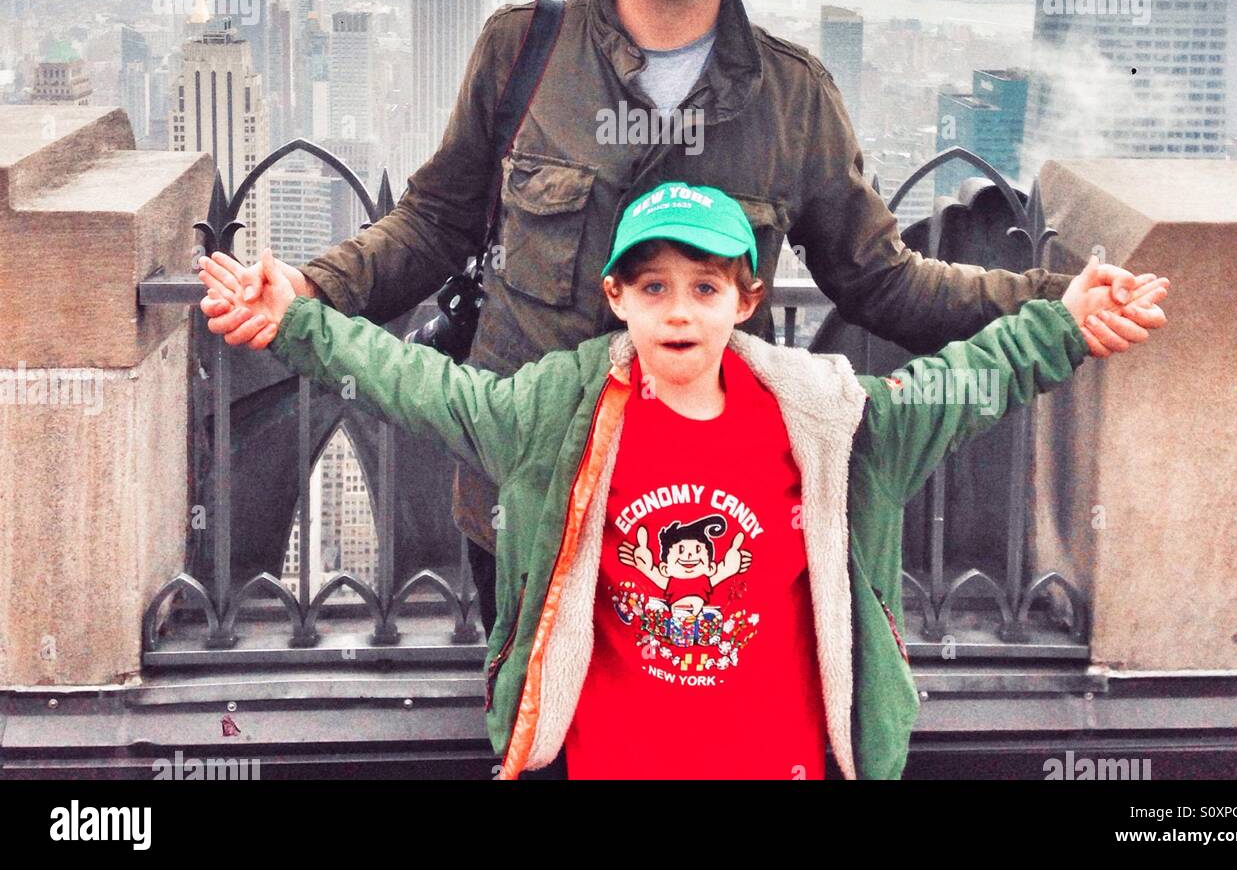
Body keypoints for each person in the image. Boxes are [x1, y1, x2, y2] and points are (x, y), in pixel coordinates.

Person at [201, 0, 1165, 646]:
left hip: (708, 523)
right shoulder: (525, 54)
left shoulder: (793, 99)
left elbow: (883, 285)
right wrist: (308, 293)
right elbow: (433, 226)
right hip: (535, 504)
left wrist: (1055, 306)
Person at [197, 180, 1170, 781]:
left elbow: (961, 386)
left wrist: (1064, 322)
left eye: (704, 287)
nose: (678, 310)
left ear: (744, 299)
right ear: (615, 295)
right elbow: (423, 384)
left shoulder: (821, 419)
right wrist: (299, 321)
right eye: (652, 285)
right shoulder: (558, 416)